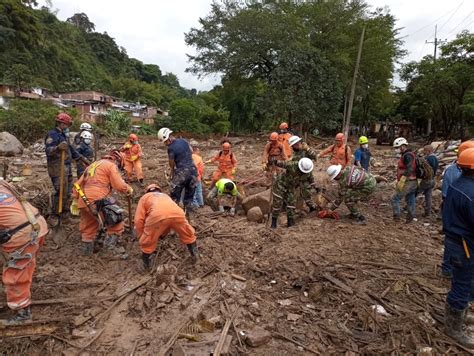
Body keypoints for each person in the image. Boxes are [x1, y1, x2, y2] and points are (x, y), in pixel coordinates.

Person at [0, 180, 48, 325]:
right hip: (37, 224)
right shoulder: (2, 183)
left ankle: (22, 313)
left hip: (21, 233)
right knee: (25, 265)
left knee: (16, 274)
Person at [71, 150, 133, 255]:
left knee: (89, 225)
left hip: (83, 200)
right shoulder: (111, 165)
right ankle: (110, 250)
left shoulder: (92, 165)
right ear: (118, 161)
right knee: (115, 222)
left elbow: (77, 184)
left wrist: (76, 199)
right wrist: (128, 189)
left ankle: (87, 251)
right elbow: (119, 185)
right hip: (97, 199)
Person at [442, 147, 474, 348]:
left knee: (467, 281)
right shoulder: (470, 192)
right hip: (464, 244)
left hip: (459, 241)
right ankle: (453, 326)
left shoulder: (459, 183)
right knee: (463, 282)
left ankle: (461, 312)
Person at [134, 184, 199, 271]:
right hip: (178, 213)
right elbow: (168, 220)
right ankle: (195, 255)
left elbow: (139, 220)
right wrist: (162, 234)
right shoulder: (165, 196)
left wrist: (141, 235)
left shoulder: (145, 197)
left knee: (147, 241)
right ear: (159, 190)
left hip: (157, 216)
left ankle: (146, 265)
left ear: (147, 191)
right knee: (188, 234)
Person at [440, 140, 474, 278]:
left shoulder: (452, 173)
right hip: (465, 238)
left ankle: (447, 268)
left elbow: (445, 194)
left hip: (454, 225)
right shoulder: (469, 192)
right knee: (463, 282)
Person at [45, 113, 87, 217]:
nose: (68, 127)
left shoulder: (64, 135)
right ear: (61, 123)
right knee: (60, 189)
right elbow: (48, 151)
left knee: (68, 189)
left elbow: (71, 149)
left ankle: (64, 209)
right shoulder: (52, 135)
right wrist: (57, 148)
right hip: (57, 166)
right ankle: (56, 213)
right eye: (67, 125)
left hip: (66, 166)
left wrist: (81, 158)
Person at [157, 128, 197, 215]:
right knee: (189, 197)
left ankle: (174, 215)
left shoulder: (171, 148)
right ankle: (190, 219)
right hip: (193, 171)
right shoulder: (183, 141)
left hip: (182, 172)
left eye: (165, 142)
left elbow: (171, 163)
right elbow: (191, 151)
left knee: (174, 194)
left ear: (167, 138)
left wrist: (172, 172)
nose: (165, 144)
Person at [271, 158, 314, 228]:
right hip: (281, 184)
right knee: (277, 203)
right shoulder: (293, 164)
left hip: (291, 187)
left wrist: (313, 184)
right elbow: (282, 163)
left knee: (291, 203)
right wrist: (275, 161)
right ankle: (273, 222)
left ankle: (290, 222)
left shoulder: (307, 170)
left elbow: (310, 178)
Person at [287, 136, 319, 212]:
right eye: (292, 146)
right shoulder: (295, 151)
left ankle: (312, 207)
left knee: (306, 191)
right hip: (297, 174)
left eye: (294, 145)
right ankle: (292, 206)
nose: (293, 147)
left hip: (306, 174)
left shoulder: (306, 150)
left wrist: (308, 149)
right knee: (292, 190)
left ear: (298, 143)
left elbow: (315, 157)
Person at [391, 137, 418, 223]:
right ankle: (410, 218)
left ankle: (397, 217)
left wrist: (402, 179)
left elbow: (410, 168)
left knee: (395, 198)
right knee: (410, 199)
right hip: (413, 181)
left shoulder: (408, 155)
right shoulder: (410, 154)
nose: (396, 150)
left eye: (397, 148)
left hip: (408, 182)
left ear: (402, 146)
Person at [418, 145, 439, 217]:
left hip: (427, 180)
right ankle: (428, 212)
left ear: (429, 151)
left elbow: (425, 169)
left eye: (425, 150)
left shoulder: (429, 158)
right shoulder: (435, 158)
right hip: (432, 179)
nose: (423, 152)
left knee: (415, 192)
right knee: (428, 196)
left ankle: (408, 207)